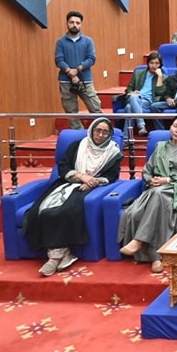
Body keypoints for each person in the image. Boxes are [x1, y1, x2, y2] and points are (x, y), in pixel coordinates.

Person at [23, 118, 122, 276]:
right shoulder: (77, 146)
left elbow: (112, 176)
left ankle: (54, 258)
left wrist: (94, 182)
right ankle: (64, 254)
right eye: (98, 131)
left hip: (90, 188)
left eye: (105, 132)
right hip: (68, 182)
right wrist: (81, 176)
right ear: (91, 130)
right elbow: (64, 167)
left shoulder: (113, 153)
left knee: (64, 211)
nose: (101, 135)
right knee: (40, 211)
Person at [118, 116, 177, 273]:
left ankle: (140, 241)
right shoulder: (160, 146)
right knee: (138, 210)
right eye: (175, 125)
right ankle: (156, 256)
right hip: (157, 187)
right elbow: (147, 170)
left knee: (158, 194)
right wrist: (151, 181)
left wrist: (167, 180)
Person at [55, 10, 102, 129]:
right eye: (71, 22)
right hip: (66, 82)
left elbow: (91, 58)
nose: (74, 25)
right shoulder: (60, 42)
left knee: (95, 108)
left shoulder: (88, 41)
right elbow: (59, 60)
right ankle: (79, 135)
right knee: (71, 111)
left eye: (77, 22)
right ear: (67, 24)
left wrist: (77, 70)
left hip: (85, 80)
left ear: (81, 24)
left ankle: (101, 132)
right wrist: (70, 74)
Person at [123, 51, 165, 135]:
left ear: (160, 65)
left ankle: (126, 139)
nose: (154, 65)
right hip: (135, 98)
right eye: (151, 63)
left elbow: (160, 93)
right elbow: (128, 89)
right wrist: (132, 92)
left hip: (147, 101)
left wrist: (160, 77)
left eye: (157, 63)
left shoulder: (162, 77)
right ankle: (141, 125)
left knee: (129, 108)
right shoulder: (138, 73)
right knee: (133, 97)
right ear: (148, 63)